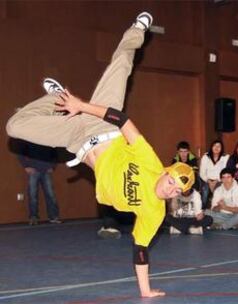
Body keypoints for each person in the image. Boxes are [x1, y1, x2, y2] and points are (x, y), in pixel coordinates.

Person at [6, 12, 195, 298]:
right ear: (167, 171)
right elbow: (122, 119)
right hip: (104, 124)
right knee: (121, 63)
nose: (170, 190)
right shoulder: (150, 161)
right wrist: (81, 106)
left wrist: (145, 292)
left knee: (14, 126)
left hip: (76, 141)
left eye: (176, 191)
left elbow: (141, 250)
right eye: (172, 182)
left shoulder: (154, 213)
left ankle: (53, 100)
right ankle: (138, 28)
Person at [16, 140, 61, 225]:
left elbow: (55, 154)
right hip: (33, 170)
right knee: (32, 195)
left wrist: (52, 166)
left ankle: (54, 217)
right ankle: (33, 217)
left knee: (50, 195)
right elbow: (20, 153)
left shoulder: (48, 140)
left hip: (46, 170)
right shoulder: (28, 139)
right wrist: (26, 166)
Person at [199, 140, 229, 208]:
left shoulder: (225, 157)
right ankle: (203, 208)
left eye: (219, 146)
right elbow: (202, 172)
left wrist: (217, 181)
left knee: (218, 192)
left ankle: (217, 208)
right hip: (206, 180)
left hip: (220, 180)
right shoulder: (206, 156)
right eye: (214, 145)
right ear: (211, 147)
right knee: (205, 191)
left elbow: (225, 171)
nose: (216, 148)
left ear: (222, 148)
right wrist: (208, 181)